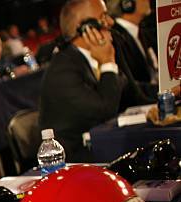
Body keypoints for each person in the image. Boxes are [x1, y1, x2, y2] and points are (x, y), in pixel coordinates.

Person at [39, 0, 125, 162]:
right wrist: (108, 61)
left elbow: (130, 93)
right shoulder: (62, 70)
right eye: (103, 17)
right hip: (79, 162)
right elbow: (106, 110)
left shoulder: (88, 58)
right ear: (85, 27)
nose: (111, 22)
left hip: (101, 146)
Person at [110, 0, 157, 93]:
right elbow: (128, 87)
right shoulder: (114, 39)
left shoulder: (143, 33)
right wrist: (163, 90)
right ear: (127, 4)